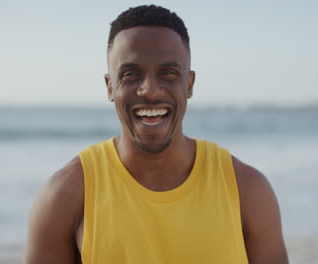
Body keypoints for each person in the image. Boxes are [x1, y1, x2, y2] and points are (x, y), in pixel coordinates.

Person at [24, 5, 288, 264]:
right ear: (109, 87)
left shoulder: (248, 190)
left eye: (168, 73)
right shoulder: (65, 195)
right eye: (130, 75)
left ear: (189, 84)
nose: (150, 90)